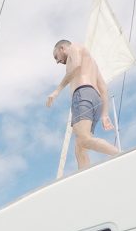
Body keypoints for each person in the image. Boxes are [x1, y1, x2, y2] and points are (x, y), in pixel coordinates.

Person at [46, 39, 120, 170]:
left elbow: (75, 68)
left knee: (84, 139)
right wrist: (104, 114)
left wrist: (56, 91)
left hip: (82, 94)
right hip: (95, 99)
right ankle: (84, 175)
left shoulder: (74, 48)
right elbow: (103, 88)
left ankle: (120, 155)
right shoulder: (92, 63)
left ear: (62, 48)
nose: (57, 62)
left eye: (56, 57)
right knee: (80, 145)